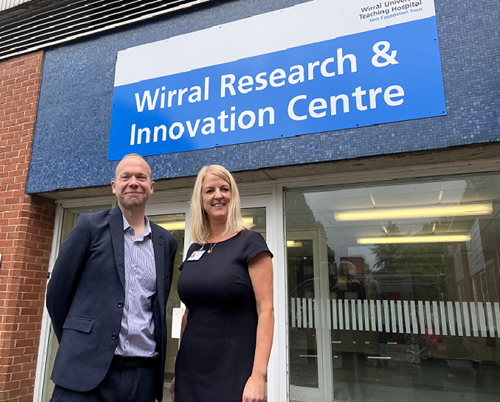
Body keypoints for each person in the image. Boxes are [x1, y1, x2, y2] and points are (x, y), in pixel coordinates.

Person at [46, 154, 178, 402]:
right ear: (114, 186)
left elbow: (156, 308)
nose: (133, 182)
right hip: (83, 372)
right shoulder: (88, 226)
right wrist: (80, 342)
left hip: (142, 376)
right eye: (125, 177)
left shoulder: (166, 242)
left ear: (151, 187)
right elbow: (57, 295)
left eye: (141, 177)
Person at [170, 165, 274, 402]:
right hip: (190, 371)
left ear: (233, 196)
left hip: (233, 373)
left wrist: (258, 376)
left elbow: (266, 311)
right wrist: (177, 371)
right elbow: (189, 313)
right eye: (210, 190)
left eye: (224, 189)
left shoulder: (250, 242)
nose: (218, 195)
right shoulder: (195, 249)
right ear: (201, 199)